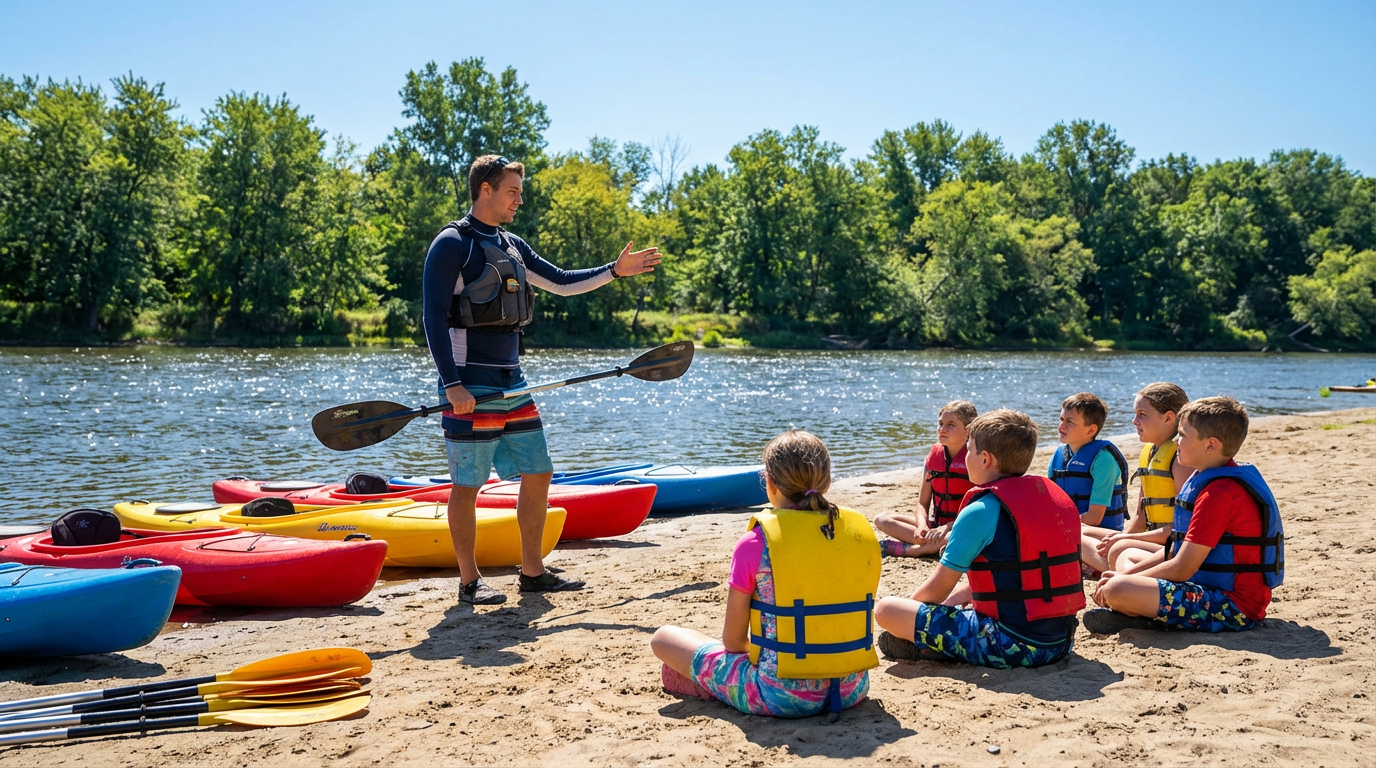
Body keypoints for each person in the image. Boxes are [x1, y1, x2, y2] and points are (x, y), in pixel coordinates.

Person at [422, 154, 662, 605]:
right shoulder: (452, 243)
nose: (519, 200)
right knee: (468, 484)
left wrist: (613, 271)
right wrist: (451, 384)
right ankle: (469, 581)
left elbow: (562, 282)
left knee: (538, 472)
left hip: (514, 383)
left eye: (520, 192)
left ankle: (532, 572)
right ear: (486, 190)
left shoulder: (512, 244)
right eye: (512, 191)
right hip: (470, 384)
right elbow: (432, 317)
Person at [650, 430, 880, 718]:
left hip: (778, 695)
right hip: (851, 689)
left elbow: (733, 643)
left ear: (769, 482)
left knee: (664, 638)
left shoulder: (756, 543)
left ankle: (704, 686)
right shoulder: (857, 534)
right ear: (826, 480)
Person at [873, 409, 1083, 669]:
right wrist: (950, 604)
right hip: (1061, 641)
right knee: (949, 608)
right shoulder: (1053, 498)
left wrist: (909, 614)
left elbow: (937, 589)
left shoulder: (980, 510)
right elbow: (1016, 576)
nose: (966, 456)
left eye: (969, 450)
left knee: (887, 609)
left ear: (985, 459)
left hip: (1011, 645)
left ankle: (933, 647)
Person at [1086, 396, 1284, 634]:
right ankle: (1138, 608)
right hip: (1204, 583)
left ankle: (1139, 612)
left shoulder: (1219, 494)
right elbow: (1175, 550)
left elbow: (1181, 568)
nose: (1176, 441)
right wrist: (1128, 575)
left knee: (1118, 589)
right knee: (1125, 553)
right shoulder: (1205, 479)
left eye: (1182, 435)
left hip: (1232, 606)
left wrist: (1121, 581)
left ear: (1210, 445)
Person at [1082, 383, 1192, 574]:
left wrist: (1124, 540)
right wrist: (1121, 536)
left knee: (1119, 548)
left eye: (1142, 414)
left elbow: (1183, 528)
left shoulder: (1180, 460)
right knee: (1079, 531)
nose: (1134, 421)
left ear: (1168, 418)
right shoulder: (1149, 453)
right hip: (1150, 539)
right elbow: (1140, 519)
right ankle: (1121, 570)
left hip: (1171, 546)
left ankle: (1123, 575)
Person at [874, 401, 977, 558]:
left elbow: (977, 510)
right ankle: (934, 545)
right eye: (940, 423)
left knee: (956, 537)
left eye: (950, 425)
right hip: (936, 526)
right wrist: (921, 526)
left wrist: (949, 527)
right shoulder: (933, 457)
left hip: (963, 526)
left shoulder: (976, 459)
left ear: (967, 430)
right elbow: (922, 503)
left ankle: (918, 550)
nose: (942, 429)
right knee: (882, 519)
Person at [1049, 393, 1131, 537]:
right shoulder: (1058, 456)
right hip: (1069, 529)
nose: (1061, 426)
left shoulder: (1103, 460)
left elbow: (1094, 518)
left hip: (1100, 535)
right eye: (1061, 419)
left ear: (1091, 430)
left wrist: (1059, 525)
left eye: (1070, 422)